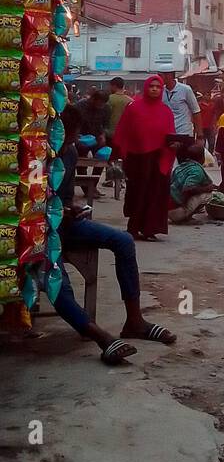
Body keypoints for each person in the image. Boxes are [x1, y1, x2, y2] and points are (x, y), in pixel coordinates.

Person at [50, 105, 176, 361]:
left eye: (72, 137)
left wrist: (70, 209)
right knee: (54, 278)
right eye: (66, 137)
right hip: (38, 231)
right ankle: (99, 336)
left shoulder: (70, 153)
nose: (70, 142)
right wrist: (58, 211)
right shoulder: (36, 155)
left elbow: (63, 197)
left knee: (124, 241)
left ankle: (135, 321)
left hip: (66, 225)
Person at [111, 75, 177, 240]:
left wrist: (175, 145)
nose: (154, 89)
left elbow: (171, 134)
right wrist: (120, 152)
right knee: (137, 192)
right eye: (151, 86)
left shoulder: (166, 111)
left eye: (158, 87)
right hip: (137, 158)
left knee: (155, 193)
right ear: (146, 88)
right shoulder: (134, 107)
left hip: (159, 158)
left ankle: (150, 229)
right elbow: (123, 130)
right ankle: (133, 227)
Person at [169, 141, 216, 223]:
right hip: (176, 212)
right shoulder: (197, 171)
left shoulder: (181, 166)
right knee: (208, 195)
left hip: (167, 209)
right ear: (202, 158)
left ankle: (183, 214)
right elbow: (187, 189)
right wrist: (207, 188)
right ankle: (185, 216)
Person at [161, 70, 201, 152]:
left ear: (171, 75)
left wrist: (200, 136)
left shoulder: (186, 89)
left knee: (185, 161)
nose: (161, 77)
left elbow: (196, 112)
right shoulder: (161, 91)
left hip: (184, 133)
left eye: (163, 75)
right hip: (167, 134)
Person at [105, 77, 132, 143]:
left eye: (110, 86)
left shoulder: (109, 99)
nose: (109, 88)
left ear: (114, 86)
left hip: (110, 134)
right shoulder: (130, 101)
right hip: (125, 134)